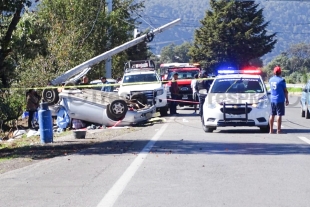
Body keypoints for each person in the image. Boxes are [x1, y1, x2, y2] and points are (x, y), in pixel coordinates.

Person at [269, 66, 289, 134]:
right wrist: (287, 99)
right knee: (279, 115)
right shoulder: (282, 80)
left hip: (272, 99)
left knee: (272, 114)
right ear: (280, 72)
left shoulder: (270, 80)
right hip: (279, 100)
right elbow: (285, 91)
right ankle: (278, 130)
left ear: (274, 72)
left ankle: (271, 130)